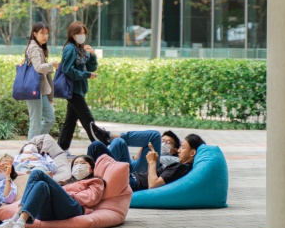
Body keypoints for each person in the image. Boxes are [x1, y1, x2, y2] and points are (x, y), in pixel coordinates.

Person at [0, 156, 105, 228]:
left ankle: (16, 220)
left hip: (71, 208)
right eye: (76, 163)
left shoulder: (95, 181)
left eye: (83, 163)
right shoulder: (65, 182)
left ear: (90, 169)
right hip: (48, 212)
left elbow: (91, 198)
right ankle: (18, 223)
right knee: (42, 185)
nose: (79, 166)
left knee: (37, 173)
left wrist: (64, 194)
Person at [57, 21, 111, 154]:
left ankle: (61, 149)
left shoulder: (81, 48)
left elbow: (91, 67)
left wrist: (92, 55)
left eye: (83, 33)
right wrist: (87, 75)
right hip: (73, 90)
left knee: (70, 121)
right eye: (79, 33)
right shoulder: (70, 48)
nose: (82, 35)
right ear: (72, 34)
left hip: (80, 90)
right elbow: (67, 70)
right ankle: (101, 147)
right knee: (88, 120)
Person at [89, 133, 204, 191]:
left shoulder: (180, 167)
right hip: (130, 177)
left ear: (192, 153)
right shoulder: (183, 167)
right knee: (101, 145)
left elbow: (153, 185)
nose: (179, 150)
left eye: (182, 148)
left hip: (131, 182)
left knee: (96, 146)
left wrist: (152, 162)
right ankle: (86, 180)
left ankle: (85, 182)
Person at [86, 129, 180, 173]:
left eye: (168, 143)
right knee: (118, 142)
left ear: (175, 150)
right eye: (162, 141)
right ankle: (93, 176)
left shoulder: (173, 159)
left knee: (155, 135)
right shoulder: (149, 150)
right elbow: (136, 159)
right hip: (133, 165)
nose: (163, 144)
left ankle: (108, 136)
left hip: (151, 169)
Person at [24, 22, 58, 140]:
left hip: (41, 90)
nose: (45, 36)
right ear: (34, 34)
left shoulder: (39, 48)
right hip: (34, 89)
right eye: (42, 33)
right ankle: (30, 151)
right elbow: (38, 67)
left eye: (47, 33)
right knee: (35, 123)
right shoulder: (34, 48)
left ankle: (36, 141)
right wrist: (51, 65)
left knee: (49, 119)